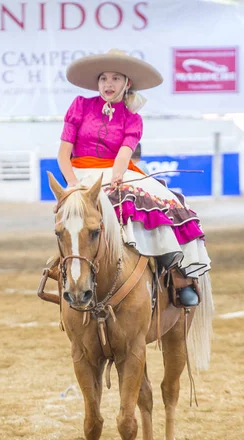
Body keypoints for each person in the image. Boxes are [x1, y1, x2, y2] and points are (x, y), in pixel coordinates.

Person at [57, 49, 210, 307]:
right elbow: (63, 155)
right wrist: (73, 184)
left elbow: (124, 154)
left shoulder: (133, 119)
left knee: (165, 202)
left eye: (116, 78)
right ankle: (64, 271)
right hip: (80, 175)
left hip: (117, 172)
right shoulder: (80, 106)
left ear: (127, 83)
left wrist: (116, 177)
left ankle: (178, 276)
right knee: (70, 221)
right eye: (104, 78)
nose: (108, 84)